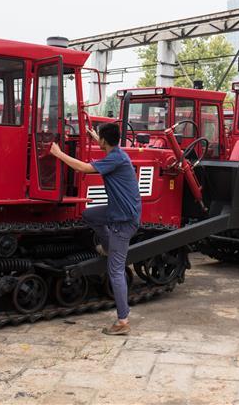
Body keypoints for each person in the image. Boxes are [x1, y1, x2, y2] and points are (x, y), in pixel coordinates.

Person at [49, 122, 141, 336]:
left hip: (123, 221)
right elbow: (104, 147)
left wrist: (58, 153)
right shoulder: (117, 152)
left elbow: (83, 168)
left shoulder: (115, 159)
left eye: (99, 137)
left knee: (115, 271)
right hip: (116, 211)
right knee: (89, 214)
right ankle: (108, 247)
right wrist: (93, 136)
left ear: (104, 141)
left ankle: (123, 320)